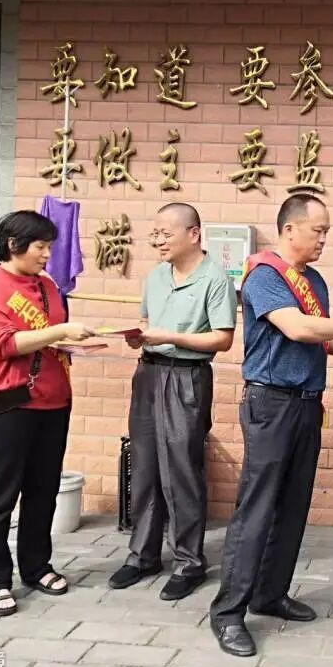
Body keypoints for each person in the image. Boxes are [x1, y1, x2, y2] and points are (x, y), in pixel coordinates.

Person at [209, 193, 333, 657]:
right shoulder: (265, 276)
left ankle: (270, 594)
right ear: (290, 229)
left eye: (327, 231)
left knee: (292, 505)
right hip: (271, 404)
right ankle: (228, 613)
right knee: (257, 509)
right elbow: (298, 328)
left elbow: (319, 339)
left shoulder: (315, 281)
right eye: (318, 230)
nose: (324, 239)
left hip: (308, 403)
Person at [0, 210, 97, 616]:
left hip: (53, 401)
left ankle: (37, 566)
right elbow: (5, 344)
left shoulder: (48, 286)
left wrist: (69, 342)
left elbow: (46, 337)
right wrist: (59, 332)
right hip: (7, 405)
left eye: (50, 247)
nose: (46, 255)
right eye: (40, 247)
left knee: (43, 492)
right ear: (13, 245)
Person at [109, 203, 237, 602]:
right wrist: (140, 335)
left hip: (186, 378)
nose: (158, 241)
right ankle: (143, 555)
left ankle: (189, 562)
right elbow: (148, 324)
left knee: (181, 469)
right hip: (148, 374)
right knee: (144, 466)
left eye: (166, 233)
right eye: (155, 233)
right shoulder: (155, 277)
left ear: (194, 234)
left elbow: (222, 339)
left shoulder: (215, 279)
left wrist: (169, 336)